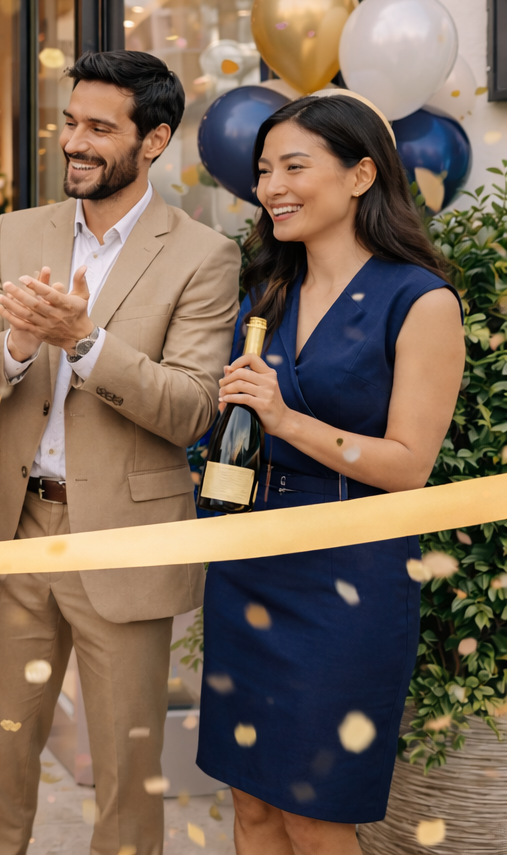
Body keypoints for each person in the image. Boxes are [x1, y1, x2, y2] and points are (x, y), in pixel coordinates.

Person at [0, 51, 241, 855]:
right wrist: (13, 344)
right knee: (3, 754)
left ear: (155, 141)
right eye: (71, 122)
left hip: (128, 540)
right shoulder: (18, 231)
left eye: (99, 128)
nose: (74, 141)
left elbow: (191, 410)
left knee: (125, 765)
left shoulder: (203, 256)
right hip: (18, 528)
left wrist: (84, 341)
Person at [196, 94, 464, 851]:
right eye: (262, 171)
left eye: (293, 166)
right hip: (249, 563)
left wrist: (285, 419)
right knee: (250, 804)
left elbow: (410, 467)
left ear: (360, 175)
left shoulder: (420, 301)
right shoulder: (266, 293)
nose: (271, 185)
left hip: (350, 577)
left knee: (316, 812)